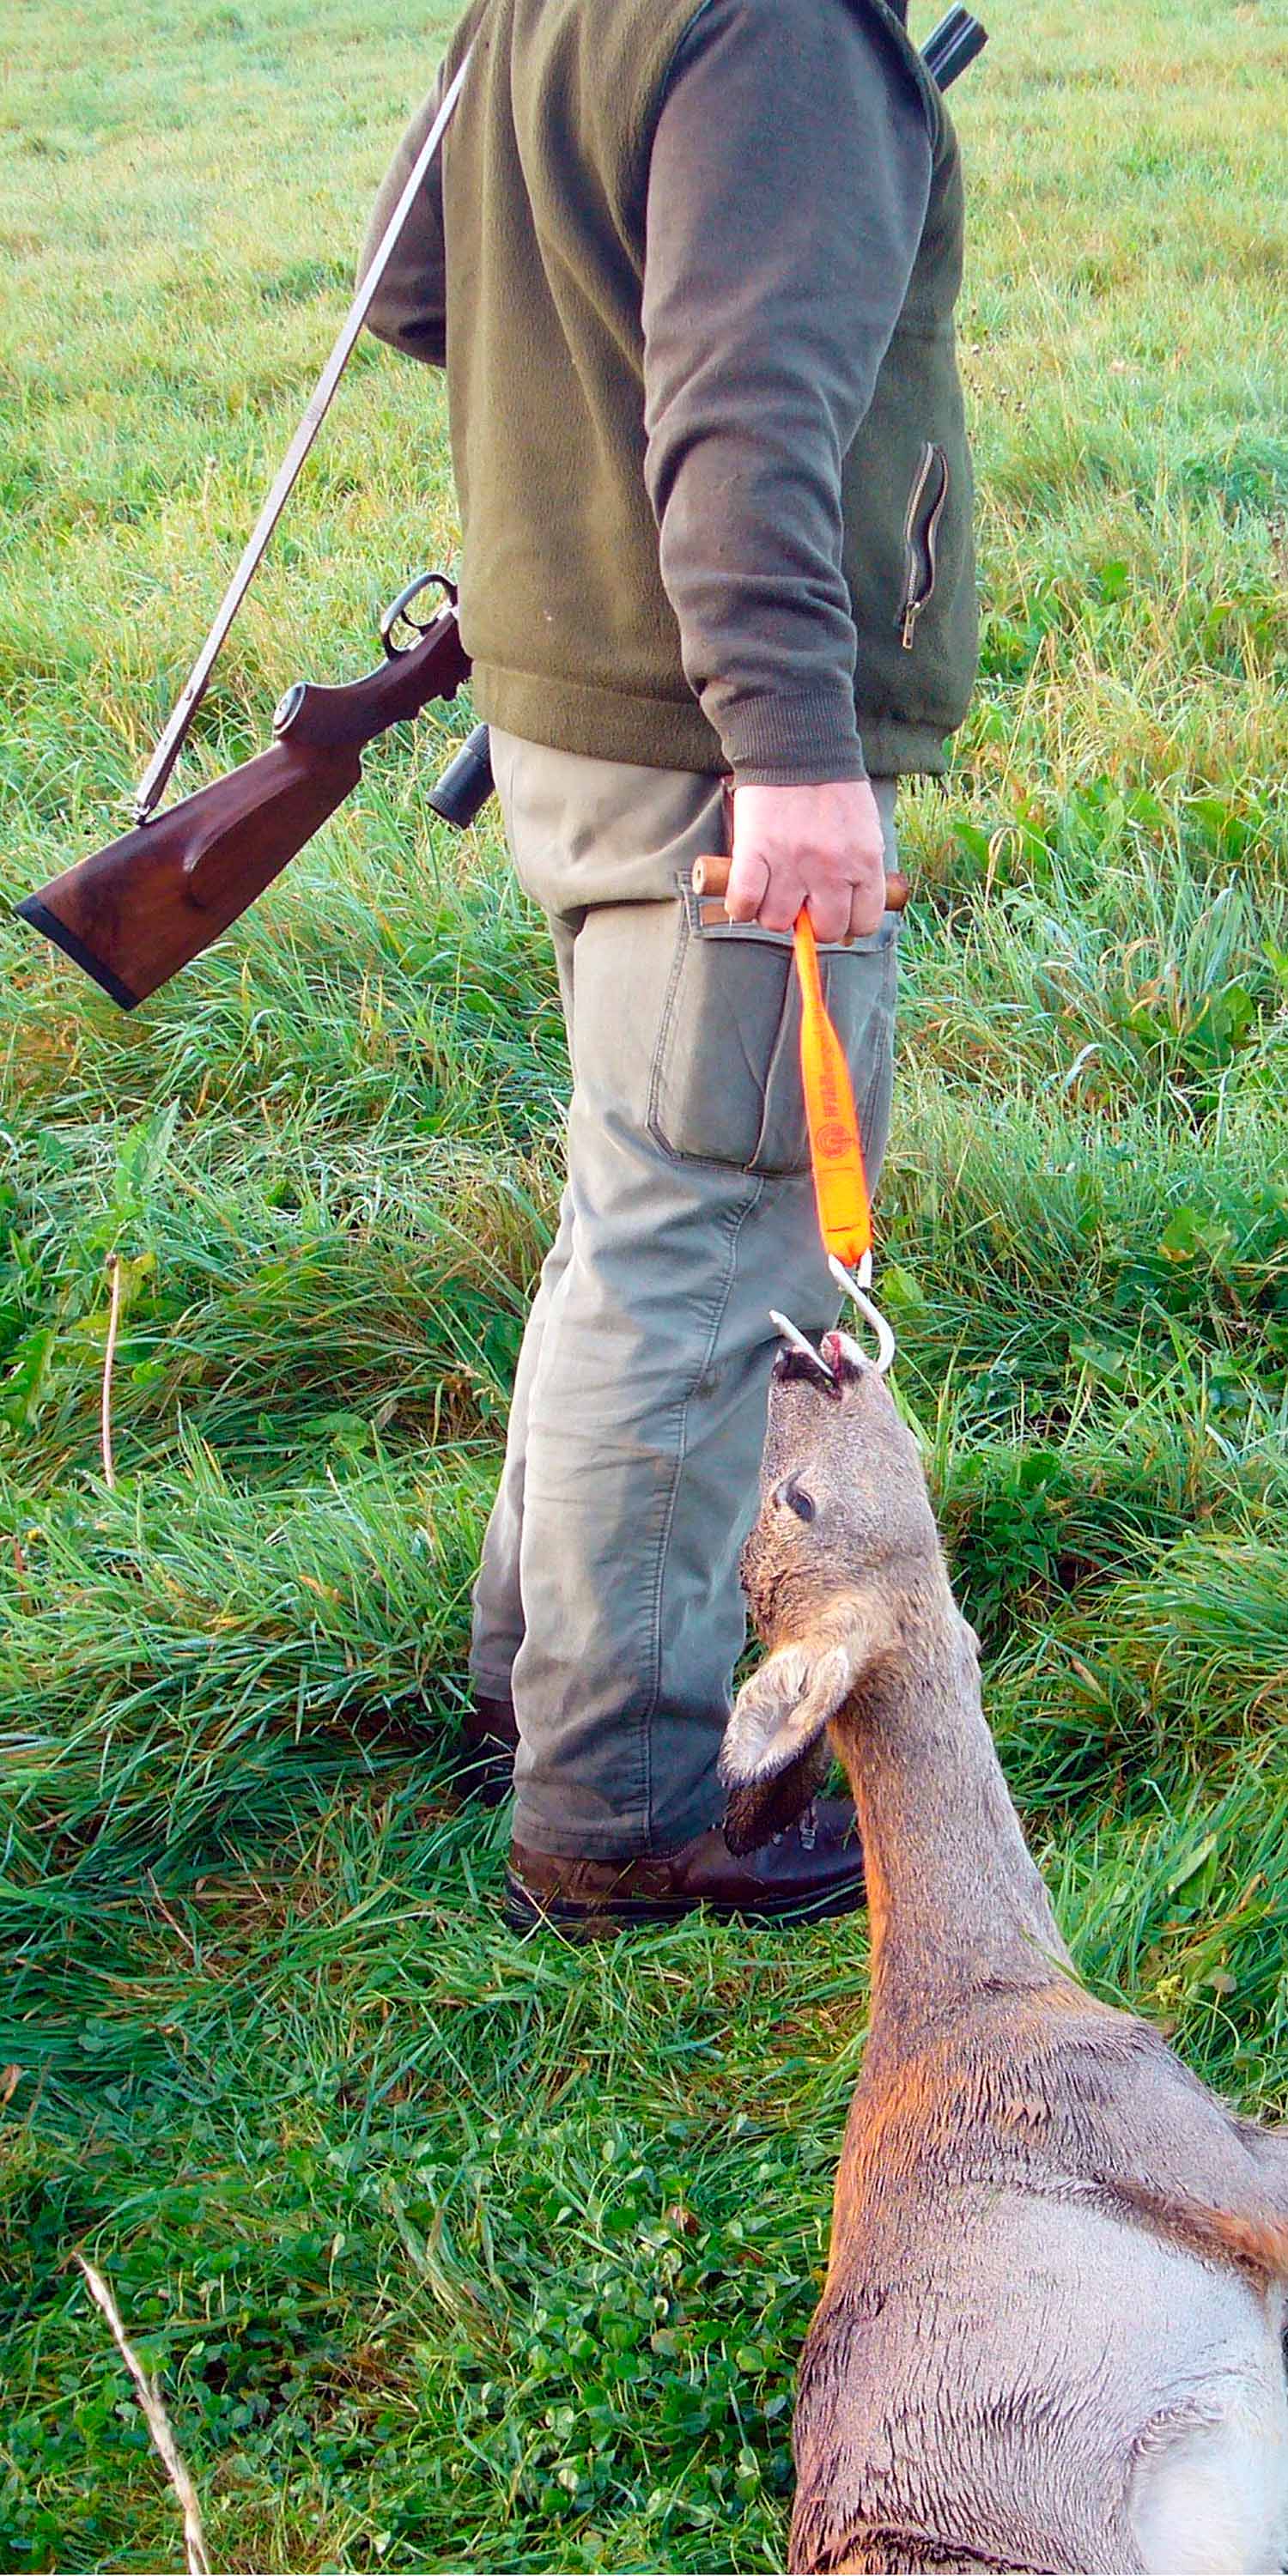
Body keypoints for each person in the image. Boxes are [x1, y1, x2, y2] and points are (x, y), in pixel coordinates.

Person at [360, 0, 977, 1932]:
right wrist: (794, 748)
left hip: (585, 708)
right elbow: (746, 406)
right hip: (711, 750)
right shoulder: (783, 26)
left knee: (634, 1227)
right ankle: (626, 1815)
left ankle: (535, 1699)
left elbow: (412, 284)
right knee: (704, 1248)